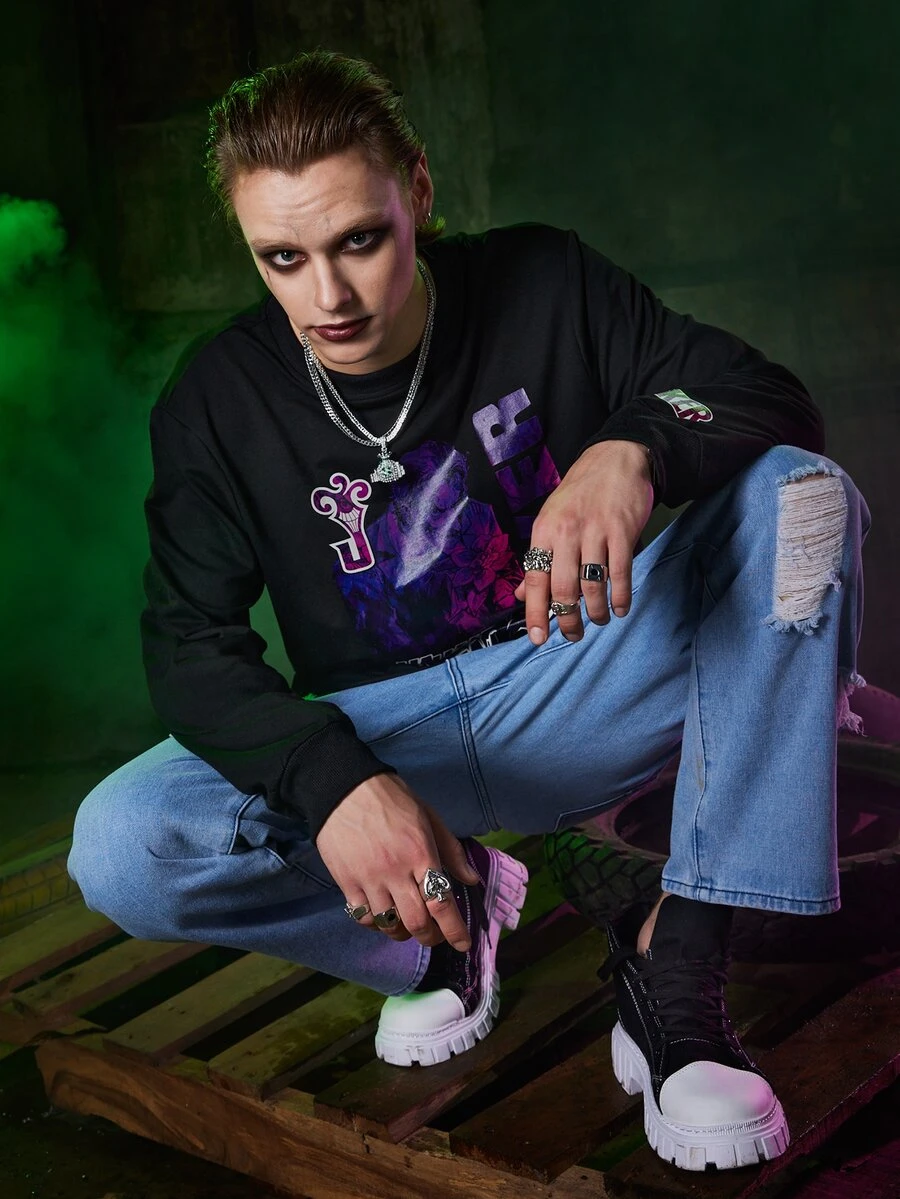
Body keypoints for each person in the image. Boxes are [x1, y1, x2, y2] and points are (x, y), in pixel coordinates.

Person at [67, 50, 869, 1172]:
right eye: (283, 258)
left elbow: (765, 394)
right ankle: (447, 925)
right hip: (392, 742)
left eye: (360, 240)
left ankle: (678, 962)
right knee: (121, 843)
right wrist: (331, 780)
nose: (329, 297)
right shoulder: (215, 397)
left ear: (419, 192)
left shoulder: (544, 280)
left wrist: (634, 448)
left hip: (580, 672)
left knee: (803, 497)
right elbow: (187, 645)